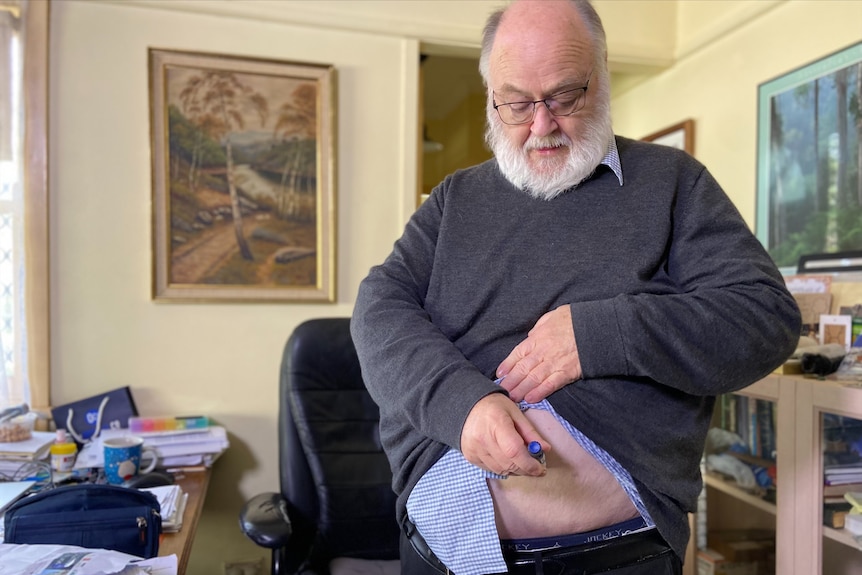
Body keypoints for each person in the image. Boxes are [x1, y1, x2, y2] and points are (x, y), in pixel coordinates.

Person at [351, 0, 801, 573]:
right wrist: (461, 405)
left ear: (602, 74)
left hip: (620, 554)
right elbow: (377, 310)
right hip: (441, 550)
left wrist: (599, 334)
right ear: (492, 94)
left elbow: (765, 319)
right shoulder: (453, 200)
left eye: (565, 96)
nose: (541, 126)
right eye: (516, 103)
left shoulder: (673, 183)